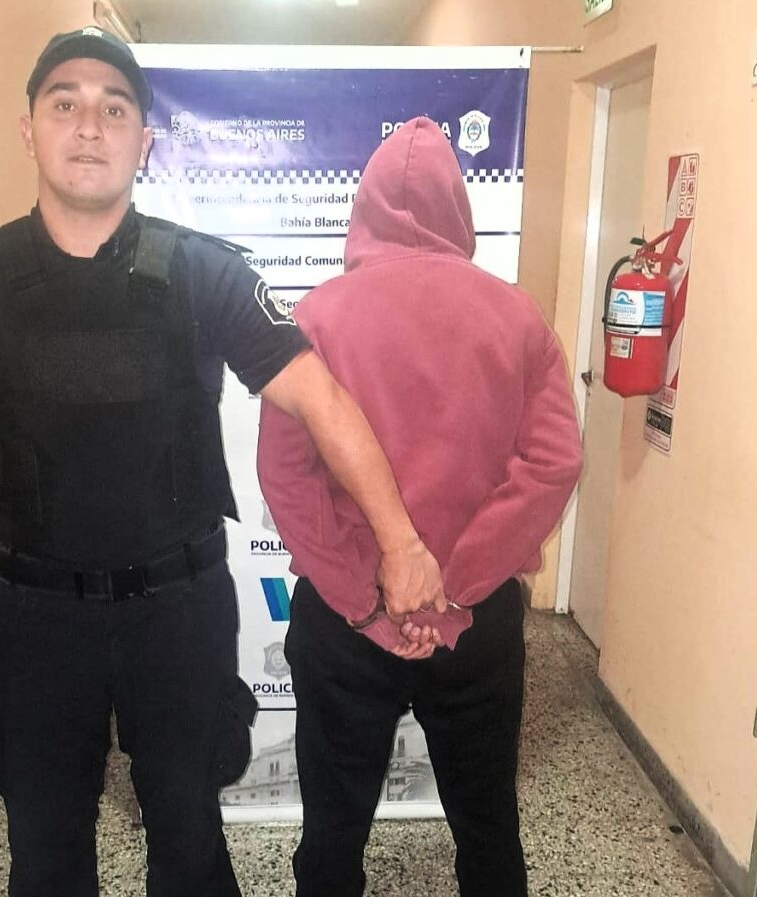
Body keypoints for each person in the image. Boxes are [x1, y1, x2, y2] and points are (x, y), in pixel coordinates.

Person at [0, 31, 443, 897]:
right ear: (28, 129)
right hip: (34, 617)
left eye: (114, 109)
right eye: (64, 103)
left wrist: (401, 541)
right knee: (44, 849)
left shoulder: (202, 272)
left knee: (188, 842)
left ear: (144, 142)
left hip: (175, 614)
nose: (89, 125)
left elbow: (321, 399)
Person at [257, 116, 584, 897]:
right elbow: (554, 461)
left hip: (346, 622)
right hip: (475, 623)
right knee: (487, 827)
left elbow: (285, 476)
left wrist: (366, 597)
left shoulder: (316, 317)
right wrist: (454, 587)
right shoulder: (517, 317)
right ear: (457, 210)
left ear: (363, 207)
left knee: (331, 833)